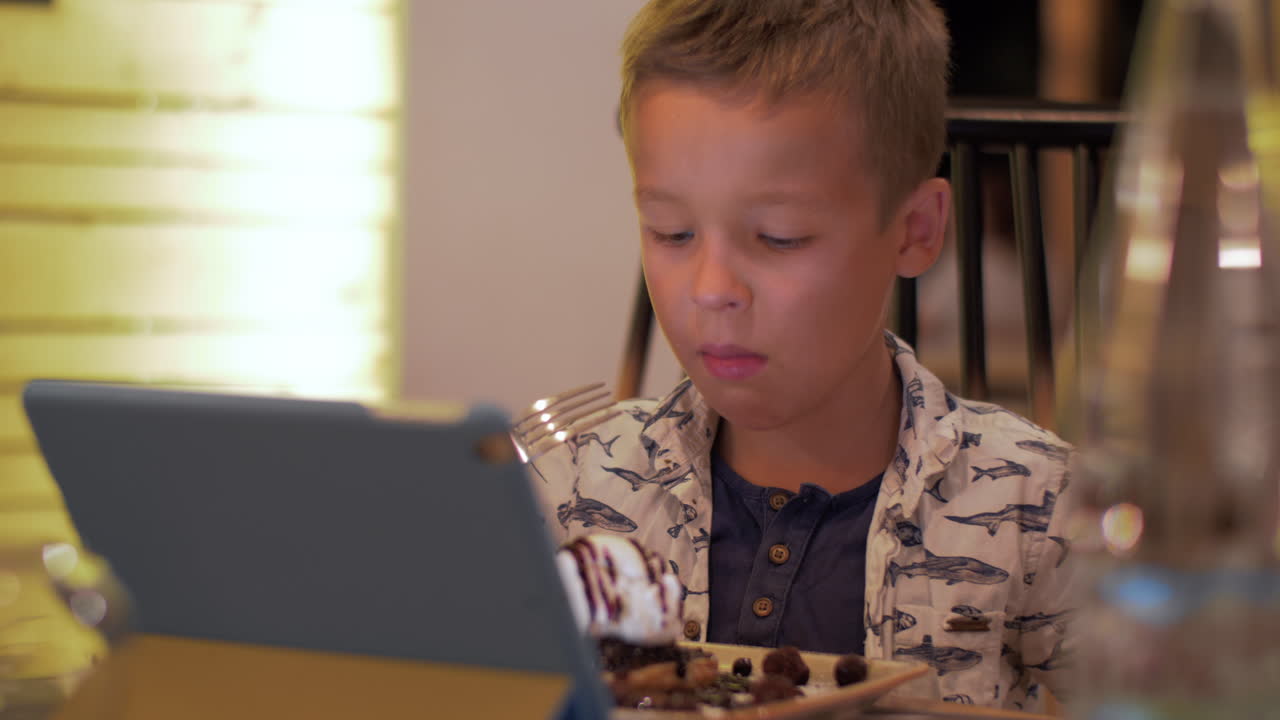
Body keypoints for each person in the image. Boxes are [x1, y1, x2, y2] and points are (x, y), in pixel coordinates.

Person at [529, 0, 1073, 710]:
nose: (712, 290)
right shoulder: (574, 489)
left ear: (914, 230)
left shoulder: (1033, 506)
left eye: (780, 237)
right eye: (671, 232)